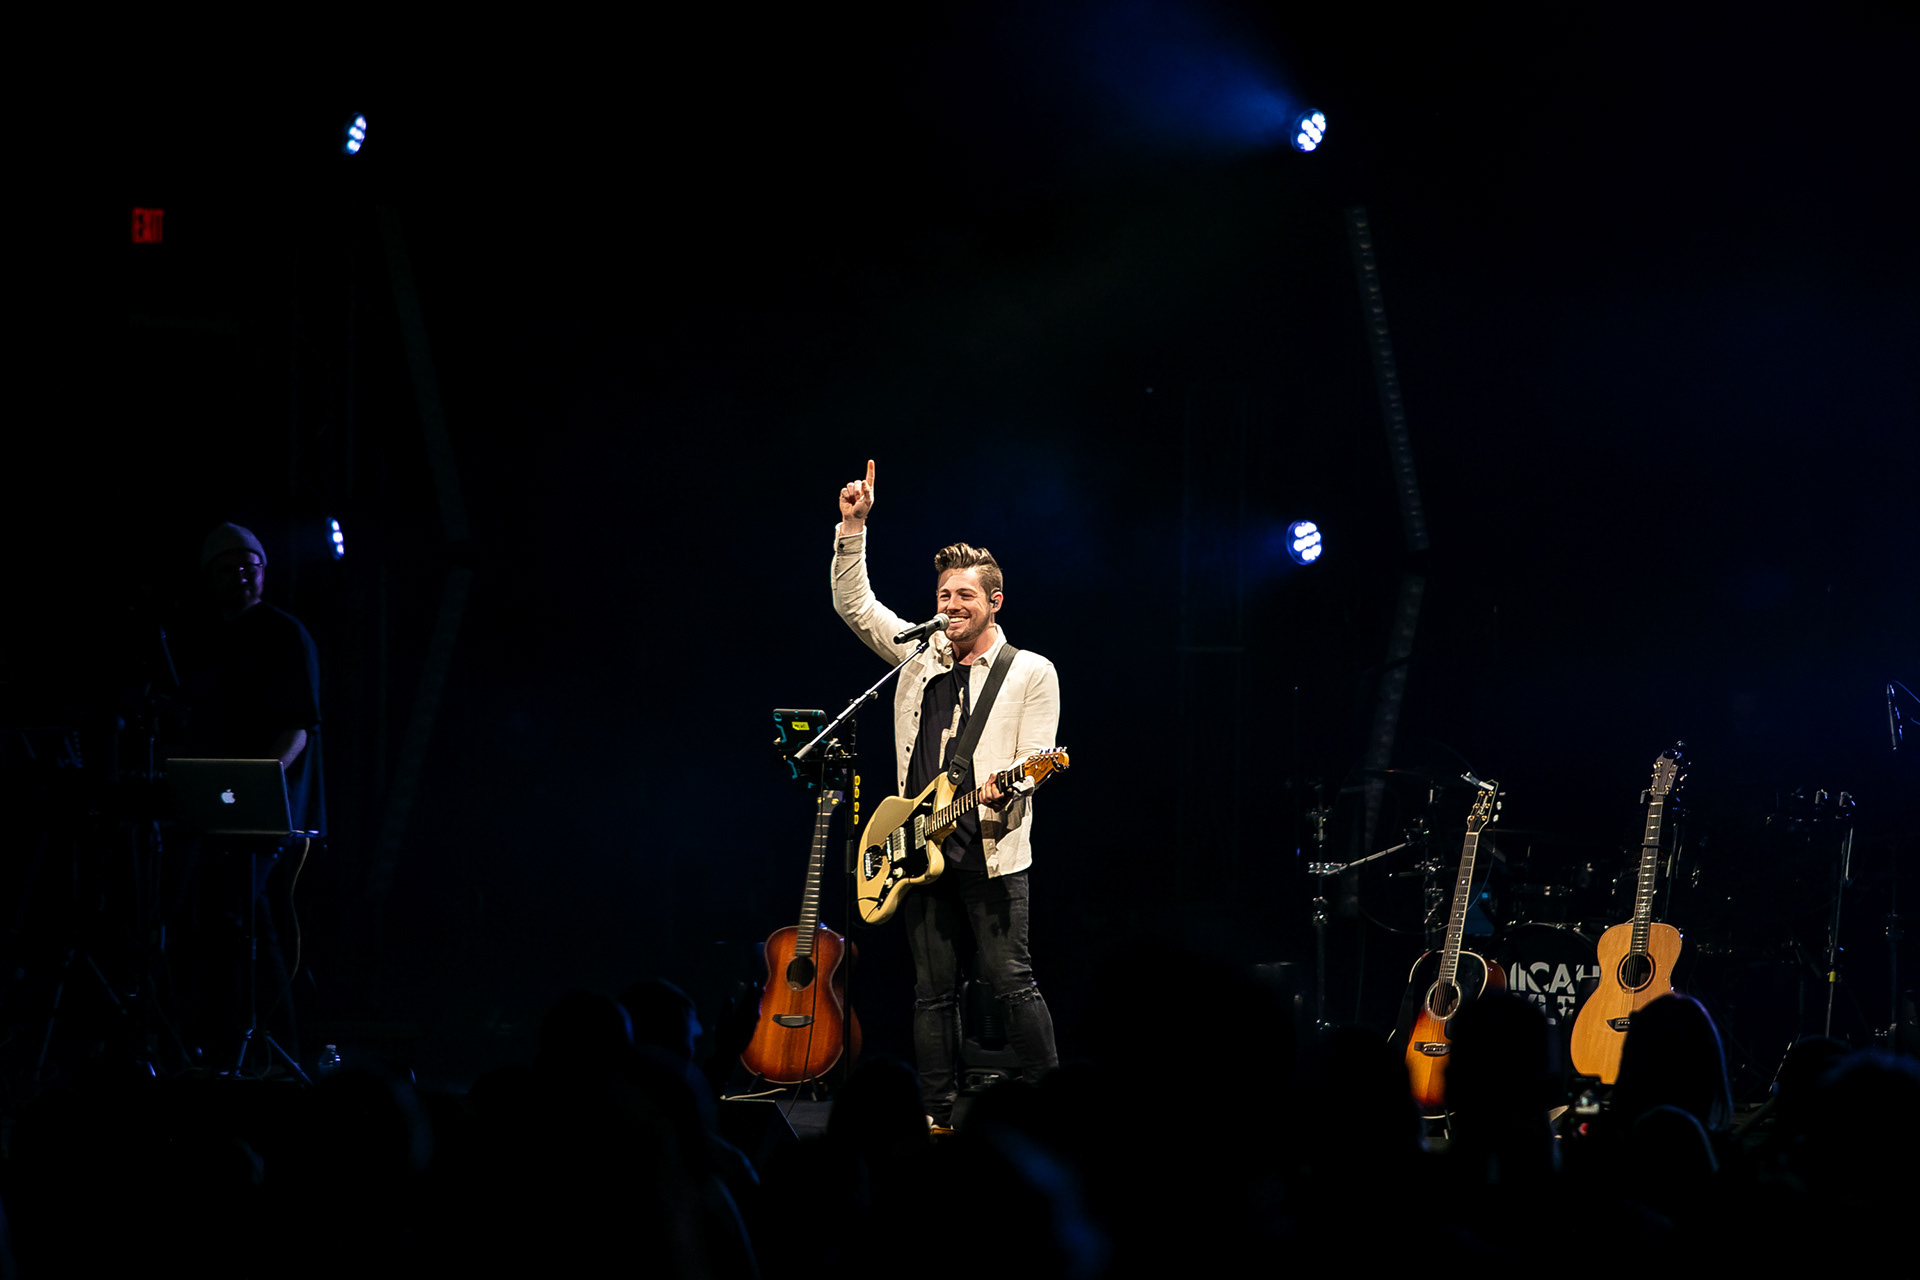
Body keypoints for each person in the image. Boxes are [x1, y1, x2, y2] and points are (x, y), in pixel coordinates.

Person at [831, 459, 1060, 1126]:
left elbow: (1035, 762)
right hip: (915, 851)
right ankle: (933, 1117)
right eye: (943, 595)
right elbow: (854, 607)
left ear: (994, 602)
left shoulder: (1029, 673)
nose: (950, 606)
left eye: (965, 595)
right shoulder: (916, 655)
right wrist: (853, 528)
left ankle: (1058, 1111)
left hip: (989, 854)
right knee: (931, 993)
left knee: (1011, 983)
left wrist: (1006, 788)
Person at [175, 521, 323, 1070]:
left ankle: (271, 1046)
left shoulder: (283, 633)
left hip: (270, 807)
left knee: (242, 914)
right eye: (227, 568)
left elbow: (299, 725)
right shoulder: (202, 638)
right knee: (229, 917)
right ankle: (245, 1046)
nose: (239, 575)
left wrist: (262, 779)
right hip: (221, 804)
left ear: (263, 570)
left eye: (249, 565)